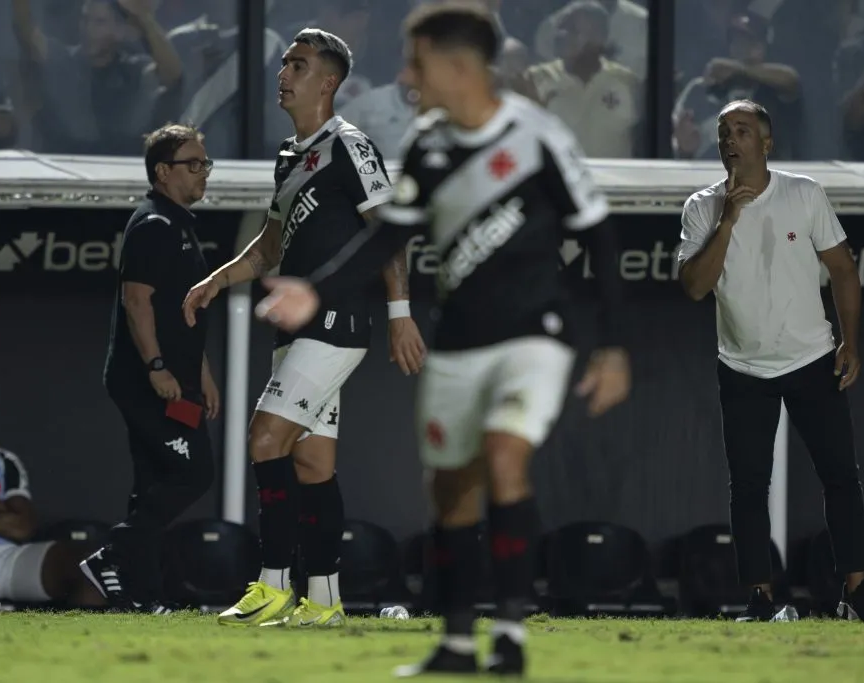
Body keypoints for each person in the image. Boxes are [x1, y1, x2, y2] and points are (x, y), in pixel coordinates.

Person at [254, 4, 631, 675]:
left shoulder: (537, 137)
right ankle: (458, 643)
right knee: (452, 490)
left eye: (417, 60)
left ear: (459, 66)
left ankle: (510, 638)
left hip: (531, 337)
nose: (405, 74)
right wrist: (318, 289)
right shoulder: (429, 145)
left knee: (505, 458)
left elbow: (599, 236)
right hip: (458, 339)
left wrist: (610, 345)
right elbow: (388, 237)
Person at [181, 28, 425, 629]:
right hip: (298, 330)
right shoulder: (291, 155)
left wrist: (400, 314)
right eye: (284, 62)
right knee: (313, 466)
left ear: (329, 81)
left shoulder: (352, 145)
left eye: (298, 64)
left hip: (336, 324)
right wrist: (217, 280)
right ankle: (324, 599)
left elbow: (389, 231)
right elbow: (269, 244)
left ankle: (270, 585)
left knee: (265, 440)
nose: (283, 73)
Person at [677, 99, 864, 624]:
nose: (730, 139)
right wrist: (728, 220)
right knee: (749, 487)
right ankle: (762, 600)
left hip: (811, 359)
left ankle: (856, 594)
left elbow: (843, 269)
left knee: (841, 476)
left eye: (743, 130)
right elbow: (695, 286)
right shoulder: (702, 207)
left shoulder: (804, 193)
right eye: (724, 131)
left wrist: (850, 342)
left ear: (766, 143)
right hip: (743, 366)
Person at [83, 123, 219, 613]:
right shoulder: (153, 224)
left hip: (176, 380)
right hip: (149, 382)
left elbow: (180, 312)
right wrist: (159, 368)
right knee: (194, 472)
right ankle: (110, 557)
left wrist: (199, 371)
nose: (204, 172)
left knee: (152, 483)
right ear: (163, 172)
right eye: (194, 164)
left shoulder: (179, 224)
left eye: (206, 163)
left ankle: (145, 596)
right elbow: (137, 302)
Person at [0, 372, 104, 609]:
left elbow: (23, 527)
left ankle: (79, 643)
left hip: (5, 558)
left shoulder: (3, 461)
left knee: (92, 565)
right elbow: (8, 520)